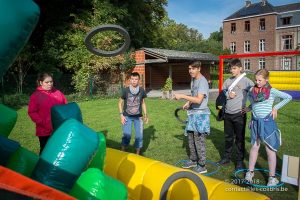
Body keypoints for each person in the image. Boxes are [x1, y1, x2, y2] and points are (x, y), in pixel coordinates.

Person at [243, 69, 292, 186]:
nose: (257, 82)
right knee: (254, 147)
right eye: (256, 79)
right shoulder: (252, 91)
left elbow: (288, 97)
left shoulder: (272, 91)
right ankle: (250, 173)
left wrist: (276, 107)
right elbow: (255, 103)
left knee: (269, 150)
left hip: (268, 123)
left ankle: (271, 178)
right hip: (255, 123)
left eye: (260, 80)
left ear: (266, 80)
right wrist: (249, 108)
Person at [174, 61, 210, 174]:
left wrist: (183, 96)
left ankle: (202, 165)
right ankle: (193, 160)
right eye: (189, 69)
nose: (190, 71)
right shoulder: (193, 80)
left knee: (199, 140)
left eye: (193, 69)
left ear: (199, 68)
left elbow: (199, 100)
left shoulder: (202, 82)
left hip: (200, 116)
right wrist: (188, 103)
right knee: (191, 139)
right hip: (192, 113)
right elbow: (194, 96)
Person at [217, 59, 254, 170]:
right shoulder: (228, 81)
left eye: (234, 68)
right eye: (231, 68)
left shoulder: (247, 81)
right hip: (227, 114)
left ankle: (239, 161)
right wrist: (228, 95)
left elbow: (258, 94)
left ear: (240, 68)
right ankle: (226, 158)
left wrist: (250, 107)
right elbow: (222, 94)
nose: (231, 70)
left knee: (239, 139)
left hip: (239, 115)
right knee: (228, 138)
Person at [28, 72, 67, 154]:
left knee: (59, 151)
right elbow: (32, 112)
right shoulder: (35, 96)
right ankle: (41, 166)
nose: (50, 84)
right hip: (44, 131)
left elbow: (65, 108)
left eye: (51, 81)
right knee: (45, 152)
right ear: (41, 82)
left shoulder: (58, 93)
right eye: (47, 82)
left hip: (59, 129)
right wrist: (43, 122)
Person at [119, 72, 148, 155]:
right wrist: (121, 115)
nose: (134, 81)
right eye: (132, 79)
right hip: (127, 116)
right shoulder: (126, 90)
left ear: (139, 80)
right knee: (127, 135)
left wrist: (146, 115)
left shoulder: (142, 90)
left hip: (138, 117)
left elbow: (143, 103)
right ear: (130, 80)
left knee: (139, 136)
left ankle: (137, 154)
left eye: (136, 79)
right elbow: (119, 103)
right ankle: (123, 151)